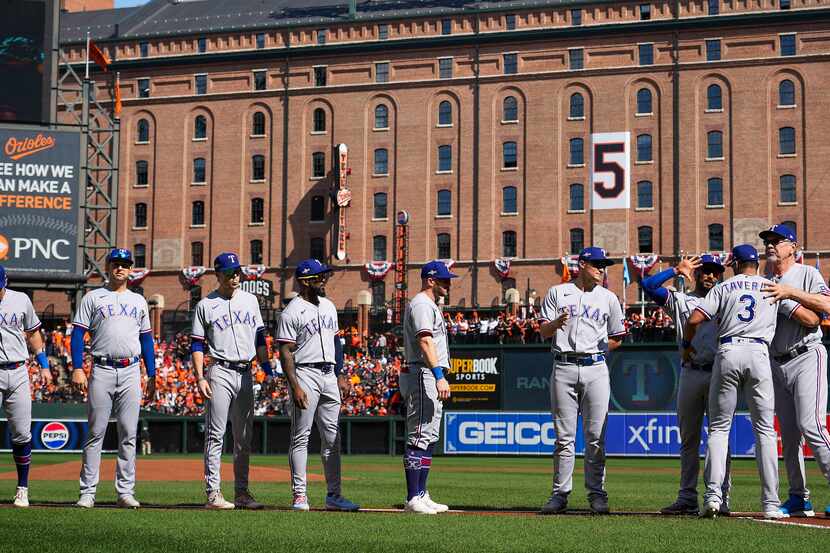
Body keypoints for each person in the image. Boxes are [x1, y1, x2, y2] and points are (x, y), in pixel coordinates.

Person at [684, 244, 819, 519]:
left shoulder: (724, 287)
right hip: (759, 353)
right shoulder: (772, 286)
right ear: (756, 263)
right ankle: (770, 503)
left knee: (720, 429)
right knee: (766, 432)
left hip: (728, 350)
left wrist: (687, 344)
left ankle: (712, 497)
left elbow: (695, 318)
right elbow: (810, 319)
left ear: (734, 263)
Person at [537, 247, 626, 515]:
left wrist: (595, 348)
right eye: (597, 264)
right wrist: (556, 323)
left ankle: (597, 495)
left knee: (595, 438)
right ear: (583, 264)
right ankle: (559, 495)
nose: (602, 268)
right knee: (564, 439)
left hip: (596, 368)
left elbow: (618, 336)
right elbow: (542, 331)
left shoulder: (609, 298)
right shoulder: (558, 291)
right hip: (563, 366)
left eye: (604, 265)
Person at [642, 255, 732, 516]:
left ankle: (722, 497)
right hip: (691, 371)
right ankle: (687, 497)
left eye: (716, 272)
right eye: (706, 271)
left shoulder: (724, 300)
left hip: (718, 371)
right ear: (697, 271)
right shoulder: (681, 299)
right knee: (689, 439)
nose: (711, 276)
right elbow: (648, 285)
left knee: (720, 437)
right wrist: (675, 270)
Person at [72, 248, 156, 509]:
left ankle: (125, 492)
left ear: (131, 269)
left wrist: (152, 373)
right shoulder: (92, 297)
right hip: (102, 368)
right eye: (115, 263)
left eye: (125, 264)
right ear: (108, 267)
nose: (120, 268)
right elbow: (77, 335)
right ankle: (87, 492)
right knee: (95, 432)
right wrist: (77, 368)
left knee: (129, 433)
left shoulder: (139, 301)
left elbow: (147, 340)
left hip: (131, 370)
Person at [758, 224, 830, 518]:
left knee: (811, 425)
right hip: (776, 361)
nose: (770, 245)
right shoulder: (763, 280)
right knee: (788, 436)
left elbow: (819, 313)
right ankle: (799, 496)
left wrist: (788, 294)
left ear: (793, 247)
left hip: (806, 354)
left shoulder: (806, 273)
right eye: (767, 241)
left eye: (776, 240)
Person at [277, 258, 359, 512]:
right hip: (305, 373)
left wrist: (340, 373)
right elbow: (285, 351)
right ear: (304, 281)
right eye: (318, 276)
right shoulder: (292, 311)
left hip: (328, 375)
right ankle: (299, 495)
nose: (323, 279)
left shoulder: (329, 306)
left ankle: (334, 495)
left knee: (332, 438)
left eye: (323, 275)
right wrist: (295, 386)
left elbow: (336, 344)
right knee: (301, 437)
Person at [192, 252, 272, 510]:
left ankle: (241, 492)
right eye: (229, 272)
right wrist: (199, 376)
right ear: (218, 275)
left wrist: (268, 367)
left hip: (246, 372)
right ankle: (213, 493)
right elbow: (196, 344)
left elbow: (260, 337)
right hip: (220, 371)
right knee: (216, 435)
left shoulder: (250, 300)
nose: (235, 276)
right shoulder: (206, 304)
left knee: (244, 437)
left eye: (237, 271)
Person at [400, 260, 455, 514]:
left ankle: (422, 492)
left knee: (430, 437)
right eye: (444, 279)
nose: (448, 283)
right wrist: (437, 375)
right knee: (420, 434)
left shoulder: (431, 305)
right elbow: (424, 342)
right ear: (430, 280)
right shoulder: (422, 303)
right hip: (423, 373)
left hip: (429, 373)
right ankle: (413, 497)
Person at [0, 266, 52, 508]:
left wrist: (43, 364)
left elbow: (33, 333)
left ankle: (22, 488)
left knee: (22, 433)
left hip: (19, 370)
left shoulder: (20, 300)